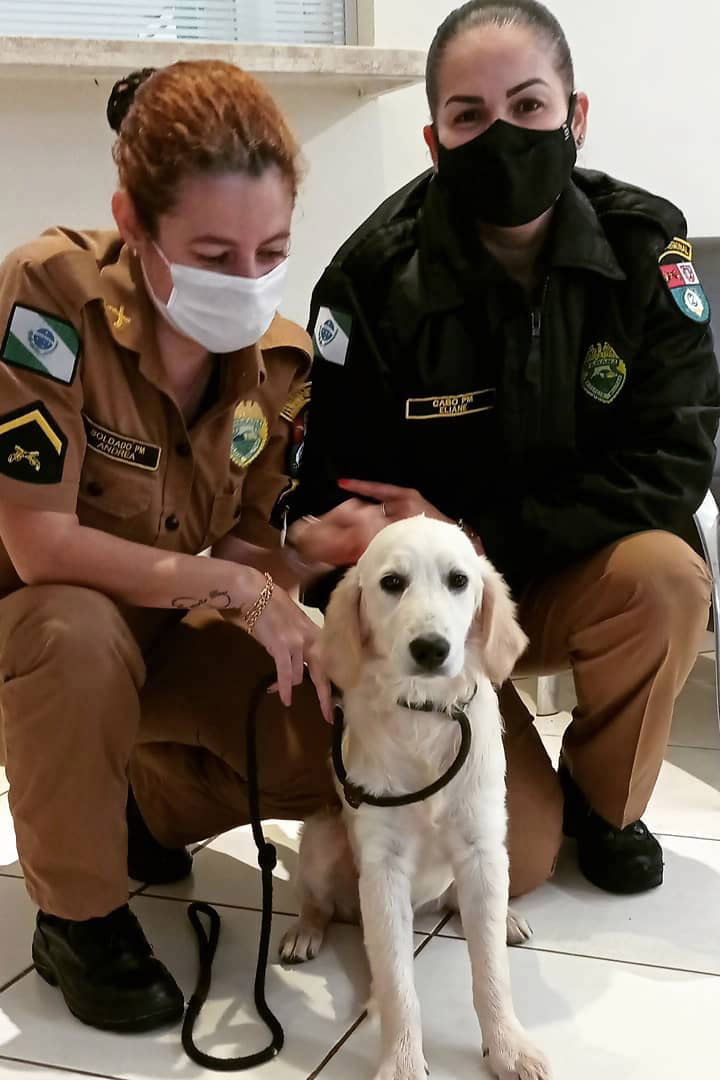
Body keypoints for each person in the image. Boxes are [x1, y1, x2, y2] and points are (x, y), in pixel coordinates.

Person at [286, 0, 720, 898]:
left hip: (563, 580)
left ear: (577, 116)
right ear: (434, 140)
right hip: (428, 624)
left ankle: (607, 806)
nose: (503, 135)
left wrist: (473, 536)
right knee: (511, 866)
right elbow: (329, 494)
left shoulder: (646, 249)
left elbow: (676, 465)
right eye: (469, 116)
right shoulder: (371, 282)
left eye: (528, 107)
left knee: (669, 574)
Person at [0, 61, 340, 1033]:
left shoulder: (278, 364)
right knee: (74, 630)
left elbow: (245, 534)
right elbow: (38, 545)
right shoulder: (48, 297)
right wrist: (230, 584)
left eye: (271, 249)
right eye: (212, 251)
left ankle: (137, 806)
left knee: (332, 720)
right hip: (37, 641)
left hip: (165, 632)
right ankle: (78, 915)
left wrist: (292, 587)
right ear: (134, 221)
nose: (246, 280)